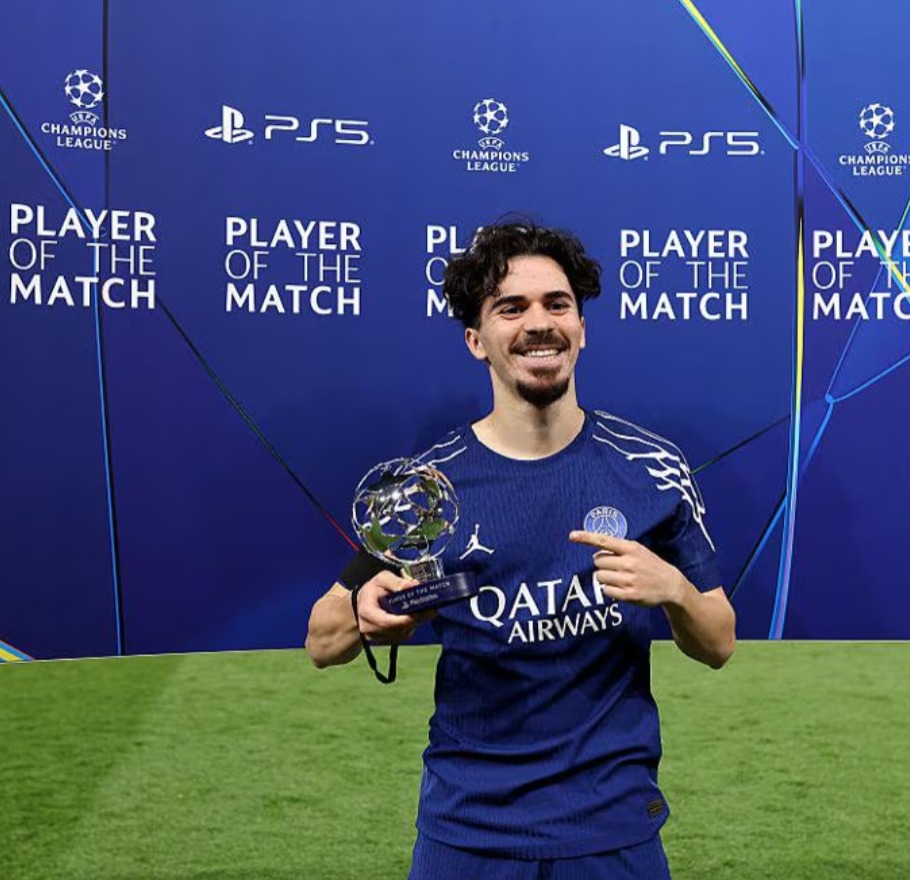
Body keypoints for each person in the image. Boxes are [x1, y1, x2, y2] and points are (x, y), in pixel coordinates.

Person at [305, 221, 736, 879]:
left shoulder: (651, 467)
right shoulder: (426, 486)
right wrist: (367, 612)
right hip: (467, 832)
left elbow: (719, 642)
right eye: (511, 308)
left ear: (582, 328)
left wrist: (674, 590)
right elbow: (321, 641)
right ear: (476, 340)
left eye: (557, 304)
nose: (539, 323)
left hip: (612, 828)